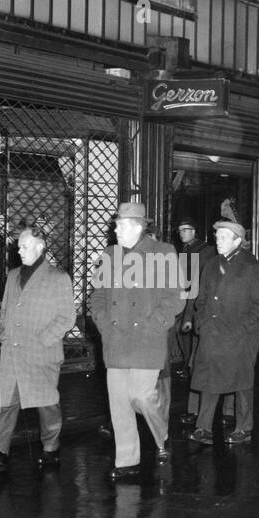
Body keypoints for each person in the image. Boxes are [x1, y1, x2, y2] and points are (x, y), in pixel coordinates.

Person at [89, 202, 185, 481]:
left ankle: (162, 432)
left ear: (138, 226)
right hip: (116, 338)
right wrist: (104, 324)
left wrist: (155, 325)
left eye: (120, 224)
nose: (115, 229)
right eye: (116, 224)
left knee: (141, 396)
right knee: (119, 402)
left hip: (147, 339)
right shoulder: (110, 254)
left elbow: (175, 298)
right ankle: (126, 460)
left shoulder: (163, 252)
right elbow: (96, 296)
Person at [0, 221, 74, 472]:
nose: (19, 250)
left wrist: (42, 341)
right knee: (4, 403)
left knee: (46, 405)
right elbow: (5, 310)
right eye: (18, 246)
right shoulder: (12, 276)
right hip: (12, 352)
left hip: (41, 353)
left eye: (24, 246)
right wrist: (4, 335)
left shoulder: (58, 278)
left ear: (40, 247)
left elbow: (66, 317)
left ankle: (51, 449)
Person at [185, 220, 259, 445]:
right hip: (212, 333)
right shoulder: (211, 264)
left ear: (237, 241)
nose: (218, 240)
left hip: (240, 336)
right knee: (210, 379)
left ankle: (244, 427)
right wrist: (201, 323)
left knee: (242, 382)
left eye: (223, 236)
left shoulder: (252, 267)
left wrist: (243, 329)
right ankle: (203, 427)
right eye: (217, 236)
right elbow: (201, 300)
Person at [172, 217, 216, 426]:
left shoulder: (204, 251)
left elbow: (200, 280)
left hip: (196, 305)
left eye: (186, 229)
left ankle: (200, 411)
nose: (183, 233)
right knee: (190, 357)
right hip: (184, 303)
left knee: (196, 360)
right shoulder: (183, 249)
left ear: (195, 231)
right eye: (180, 230)